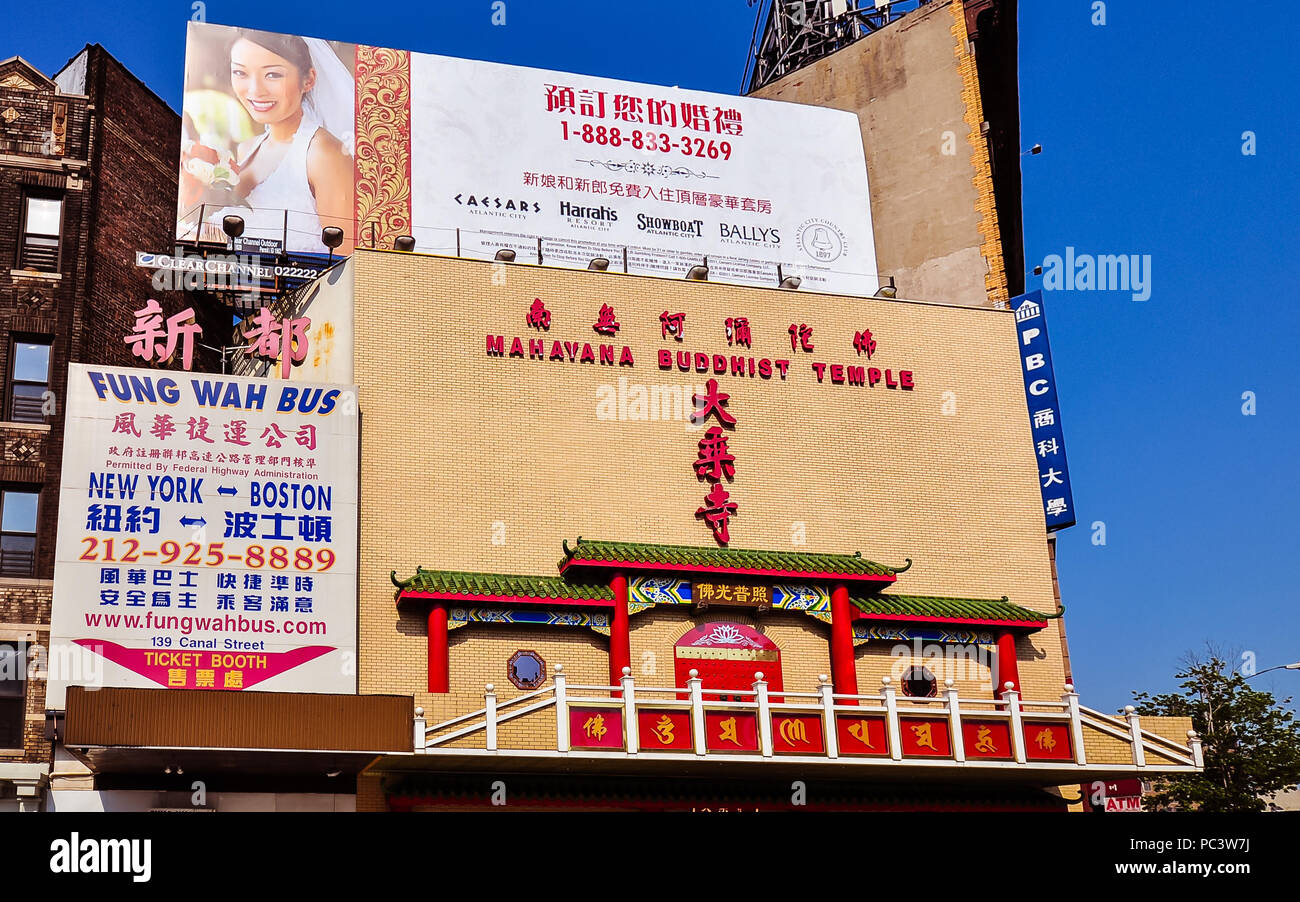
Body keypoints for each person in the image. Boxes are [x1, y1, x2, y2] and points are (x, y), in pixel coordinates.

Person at [207, 29, 354, 255]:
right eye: (240, 72)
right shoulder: (246, 148)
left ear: (309, 80)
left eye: (273, 75)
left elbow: (345, 258)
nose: (255, 90)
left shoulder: (323, 153)